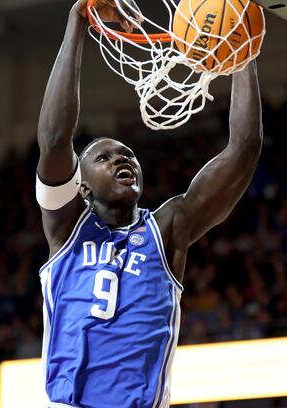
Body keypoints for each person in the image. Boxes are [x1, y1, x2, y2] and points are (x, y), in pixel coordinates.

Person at [35, 0, 263, 406]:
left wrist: (240, 51)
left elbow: (243, 150)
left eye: (127, 155)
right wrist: (77, 22)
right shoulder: (66, 228)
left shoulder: (168, 227)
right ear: (81, 187)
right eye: (103, 158)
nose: (121, 159)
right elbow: (55, 140)